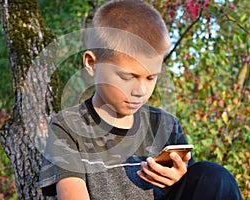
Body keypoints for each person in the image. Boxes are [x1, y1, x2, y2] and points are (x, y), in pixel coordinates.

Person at [38, 0, 242, 199]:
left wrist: (179, 180)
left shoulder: (165, 125)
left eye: (151, 77)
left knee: (213, 176)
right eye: (127, 77)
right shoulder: (67, 127)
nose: (141, 91)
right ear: (92, 63)